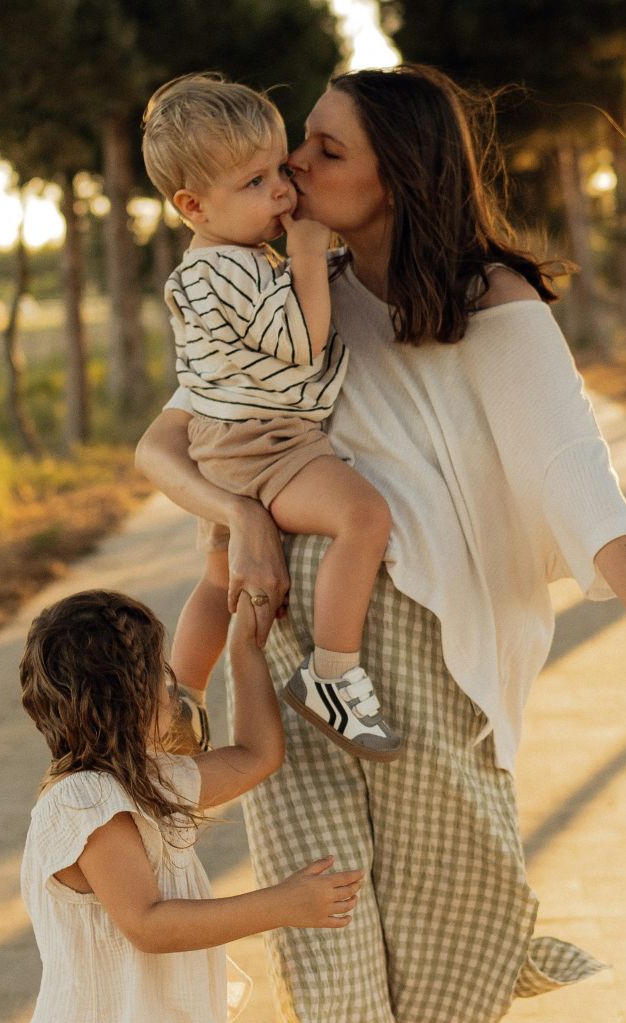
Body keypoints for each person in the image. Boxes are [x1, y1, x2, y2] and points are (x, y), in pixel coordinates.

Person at [135, 64, 626, 1023]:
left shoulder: (490, 300)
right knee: (321, 948)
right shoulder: (305, 298)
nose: (295, 168)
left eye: (326, 151)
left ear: (401, 176)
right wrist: (239, 517)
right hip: (292, 650)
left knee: (441, 961)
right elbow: (166, 442)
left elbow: (581, 485)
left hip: (426, 671)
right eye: (297, 143)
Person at [141, 72, 399, 762]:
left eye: (279, 170)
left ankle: (179, 697)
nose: (283, 192)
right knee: (364, 517)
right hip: (266, 443)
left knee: (220, 581)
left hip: (224, 445)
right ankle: (333, 674)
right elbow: (301, 339)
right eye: (255, 184)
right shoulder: (224, 268)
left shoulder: (224, 261)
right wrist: (309, 254)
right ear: (194, 205)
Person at [17, 589, 365, 1023]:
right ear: (125, 697)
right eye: (156, 669)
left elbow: (256, 756)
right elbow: (149, 924)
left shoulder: (145, 780)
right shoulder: (87, 801)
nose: (170, 680)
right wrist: (283, 905)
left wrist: (245, 645)